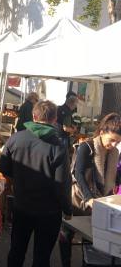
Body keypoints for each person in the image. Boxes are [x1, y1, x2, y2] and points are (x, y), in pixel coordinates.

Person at [0, 100, 72, 267]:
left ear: (33, 116)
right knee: (42, 256)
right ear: (55, 120)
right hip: (49, 212)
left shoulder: (15, 138)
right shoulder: (58, 146)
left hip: (22, 205)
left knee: (17, 250)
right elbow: (62, 183)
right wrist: (67, 209)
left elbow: (4, 168)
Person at [58, 112, 121, 267]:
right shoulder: (86, 147)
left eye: (117, 142)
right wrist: (89, 198)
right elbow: (77, 174)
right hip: (79, 199)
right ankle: (66, 263)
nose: (113, 145)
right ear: (101, 132)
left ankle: (85, 263)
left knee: (91, 236)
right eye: (111, 140)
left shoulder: (114, 153)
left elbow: (114, 176)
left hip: (99, 201)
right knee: (67, 234)